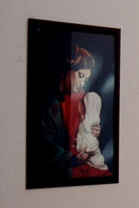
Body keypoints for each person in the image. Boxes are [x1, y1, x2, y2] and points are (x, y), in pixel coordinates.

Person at [38, 45, 112, 180]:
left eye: (86, 80)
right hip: (65, 168)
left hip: (87, 160)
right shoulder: (51, 104)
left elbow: (88, 127)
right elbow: (43, 145)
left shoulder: (85, 98)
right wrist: (72, 158)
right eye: (80, 75)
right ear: (68, 70)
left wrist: (95, 130)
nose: (82, 83)